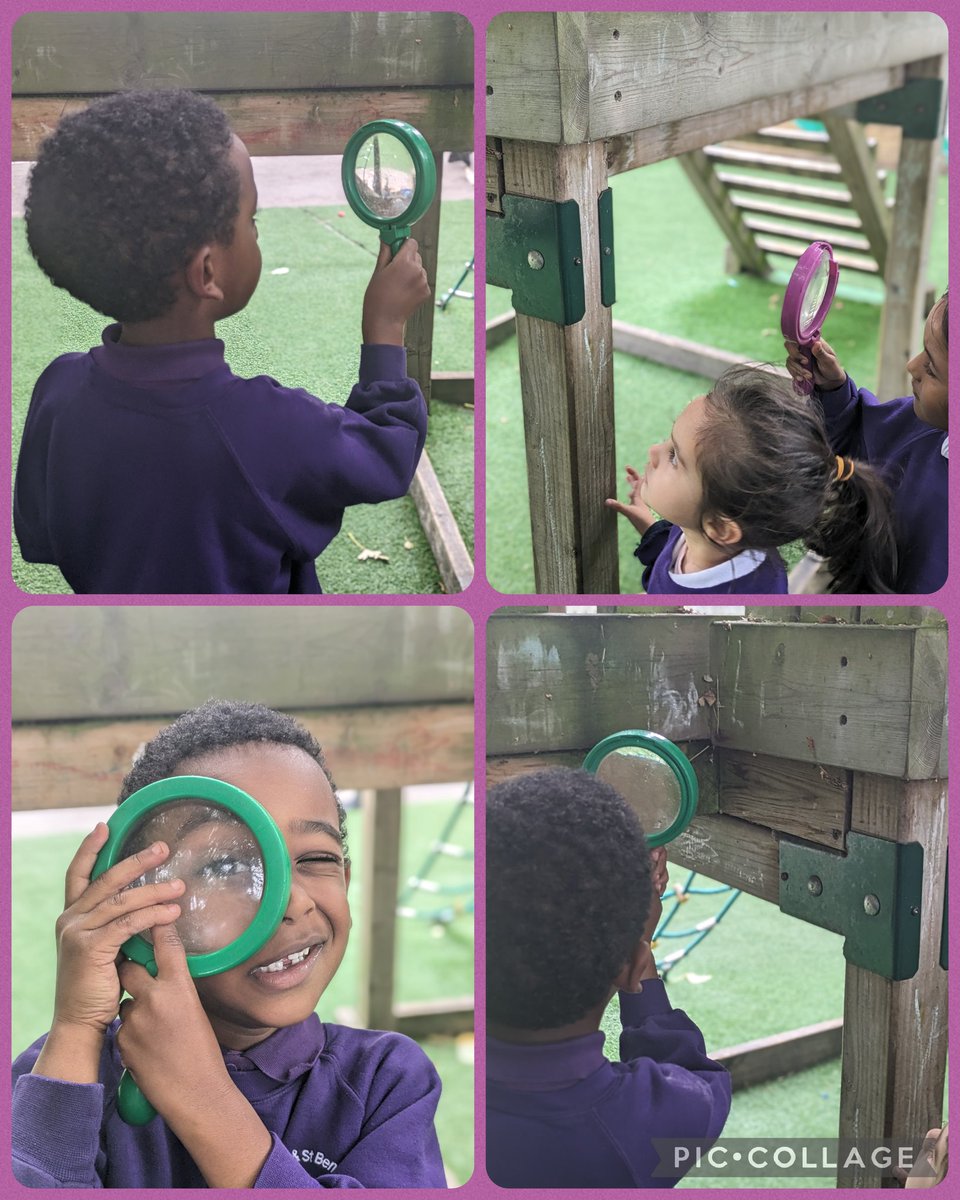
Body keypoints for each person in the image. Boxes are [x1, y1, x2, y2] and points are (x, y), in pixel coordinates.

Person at [12, 700, 447, 1188]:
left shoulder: (386, 1082)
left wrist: (204, 1099)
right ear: (135, 901)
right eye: (226, 865)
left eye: (316, 859)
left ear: (344, 878)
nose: (293, 901)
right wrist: (76, 1028)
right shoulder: (64, 1072)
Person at [14, 90, 430, 594]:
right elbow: (389, 453)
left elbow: (40, 536)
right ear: (207, 272)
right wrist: (385, 328)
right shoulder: (271, 426)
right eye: (252, 220)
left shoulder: (57, 388)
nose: (256, 231)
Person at [486, 768, 731, 1188]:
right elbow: (699, 1080)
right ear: (633, 967)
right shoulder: (654, 1126)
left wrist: (633, 943)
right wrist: (638, 944)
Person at [606, 364, 899, 595]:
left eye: (674, 457)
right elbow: (672, 555)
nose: (653, 451)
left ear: (720, 527)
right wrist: (649, 527)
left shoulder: (744, 599)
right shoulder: (708, 529)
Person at [784, 290, 948, 594]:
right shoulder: (921, 424)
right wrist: (833, 390)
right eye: (922, 352)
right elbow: (860, 445)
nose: (912, 366)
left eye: (932, 369)